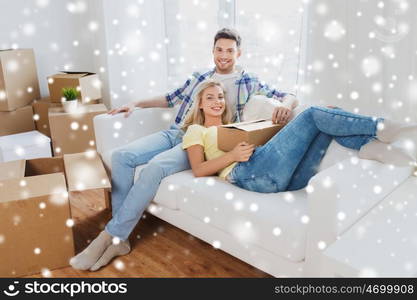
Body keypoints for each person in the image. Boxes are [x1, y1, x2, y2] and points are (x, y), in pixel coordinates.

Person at [70, 28, 298, 271]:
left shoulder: (249, 81)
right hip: (176, 132)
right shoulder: (199, 76)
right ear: (212, 51)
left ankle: (111, 236)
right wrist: (135, 103)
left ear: (238, 53)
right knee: (122, 157)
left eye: (229, 51)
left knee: (156, 167)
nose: (223, 55)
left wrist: (286, 105)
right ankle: (119, 237)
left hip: (201, 140)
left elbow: (289, 96)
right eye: (219, 49)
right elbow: (170, 98)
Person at [182, 80, 417, 193]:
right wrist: (233, 154)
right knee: (314, 113)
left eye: (220, 96)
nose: (217, 102)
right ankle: (385, 127)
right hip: (247, 174)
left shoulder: (237, 125)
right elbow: (198, 170)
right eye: (210, 98)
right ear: (200, 104)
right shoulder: (196, 131)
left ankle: (376, 150)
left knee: (326, 120)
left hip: (288, 179)